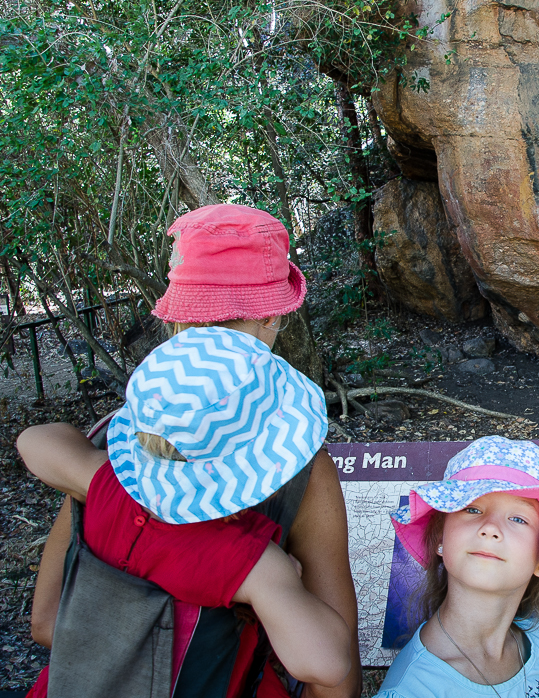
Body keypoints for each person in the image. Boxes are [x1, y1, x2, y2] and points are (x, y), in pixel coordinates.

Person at [21, 204, 362, 698]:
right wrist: (242, 566)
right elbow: (336, 676)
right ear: (272, 313)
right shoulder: (302, 477)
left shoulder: (113, 451)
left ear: (176, 313)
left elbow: (48, 623)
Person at [375, 436, 539, 698]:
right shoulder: (413, 690)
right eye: (473, 509)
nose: (490, 528)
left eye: (517, 518)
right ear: (441, 539)